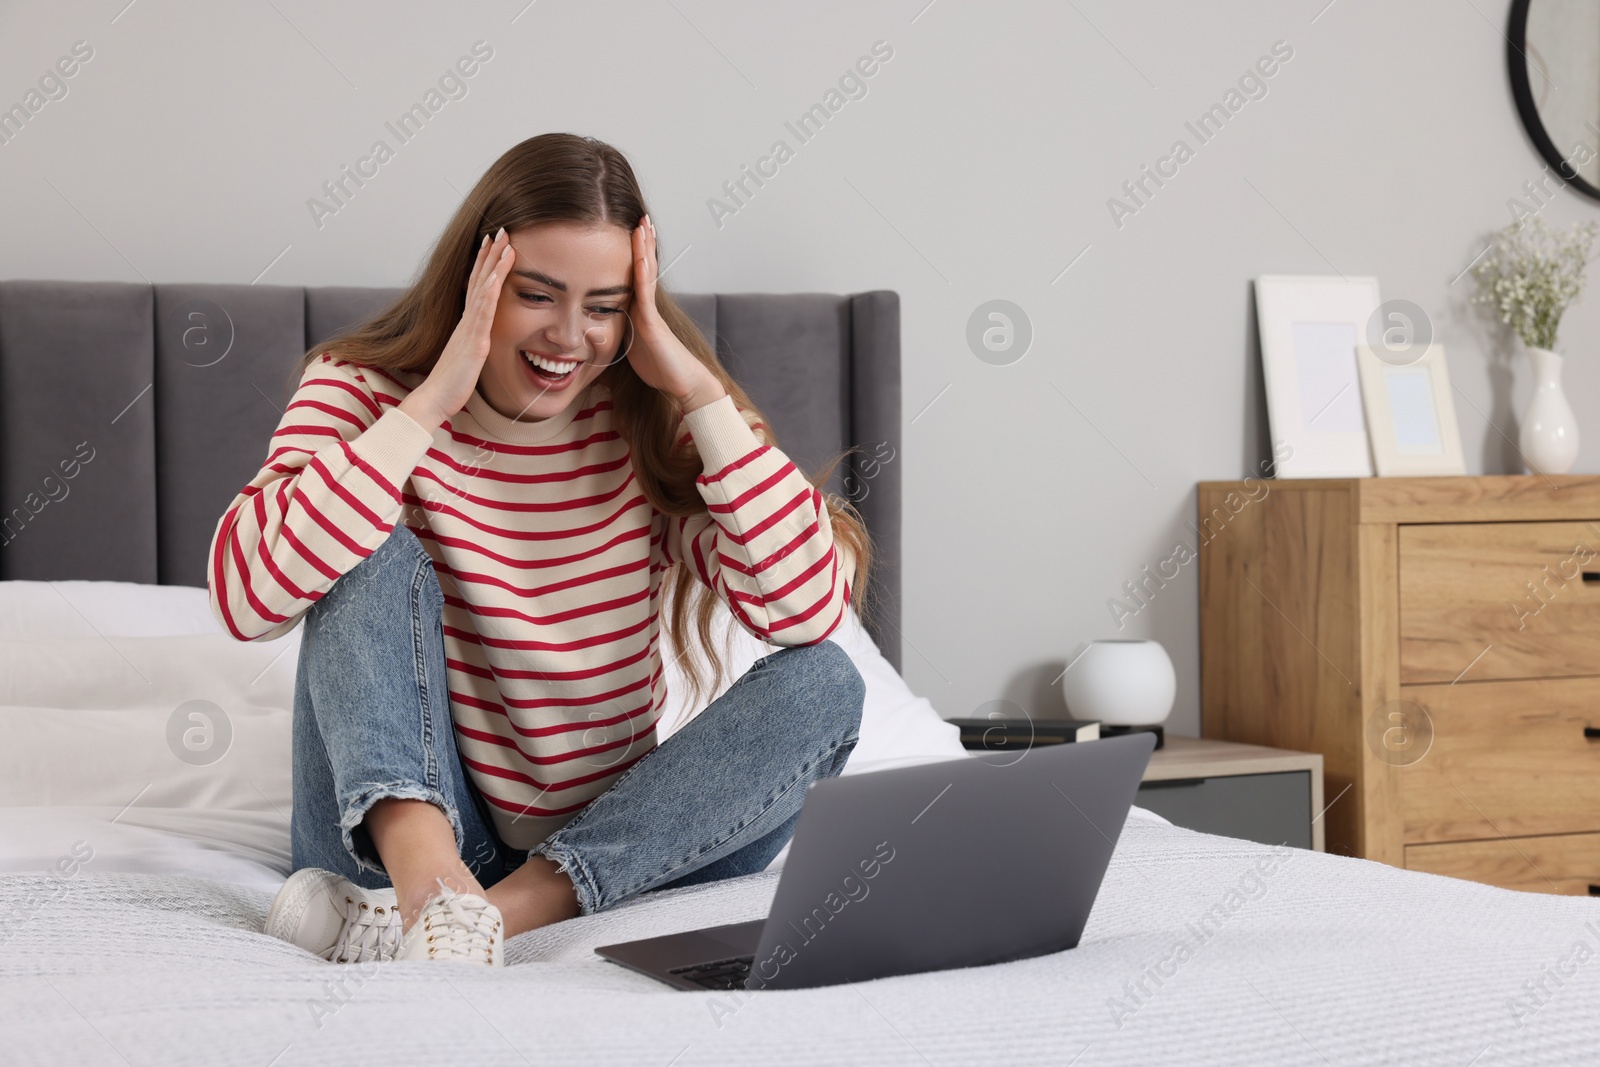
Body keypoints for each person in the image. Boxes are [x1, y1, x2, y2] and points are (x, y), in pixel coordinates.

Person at [208, 133, 872, 967]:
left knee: (828, 682)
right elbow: (245, 597)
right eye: (537, 294)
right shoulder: (360, 391)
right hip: (385, 834)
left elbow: (805, 608)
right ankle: (428, 886)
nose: (570, 336)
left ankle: (484, 918)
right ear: (476, 282)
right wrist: (430, 404)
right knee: (361, 543)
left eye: (604, 306)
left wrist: (701, 394)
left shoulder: (644, 421)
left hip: (599, 847)